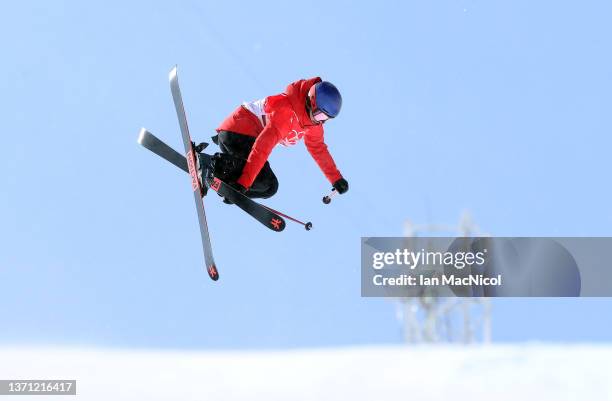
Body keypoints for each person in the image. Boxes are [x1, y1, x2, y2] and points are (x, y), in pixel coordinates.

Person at [209, 77, 349, 202]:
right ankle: (215, 166)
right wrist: (244, 183)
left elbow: (318, 148)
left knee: (268, 188)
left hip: (240, 139)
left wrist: (335, 178)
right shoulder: (288, 111)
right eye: (320, 116)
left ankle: (223, 178)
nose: (320, 121)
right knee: (268, 183)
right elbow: (262, 147)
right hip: (238, 132)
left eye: (326, 119)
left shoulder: (313, 125)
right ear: (311, 102)